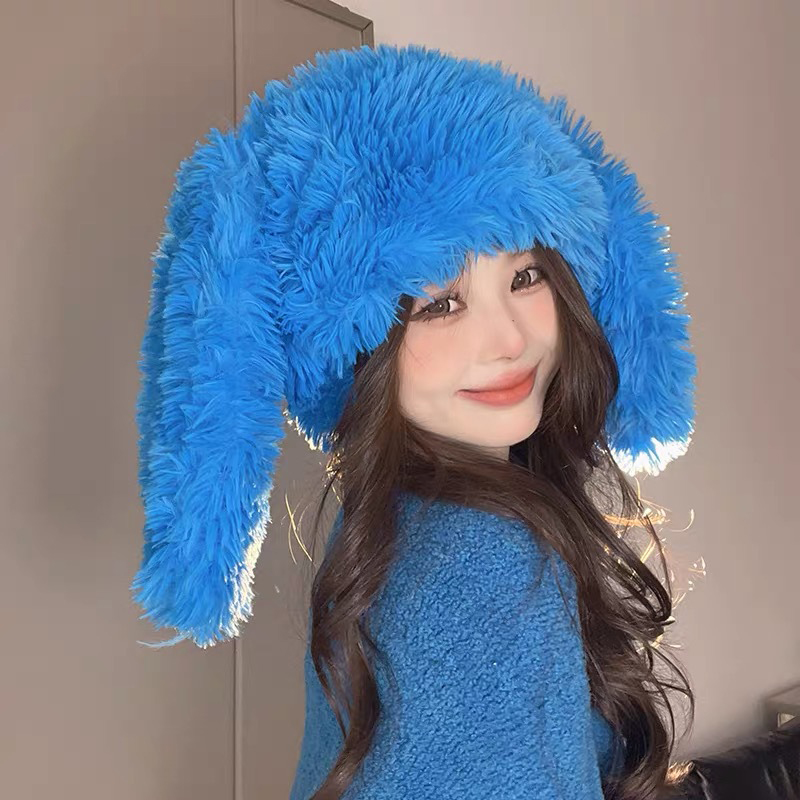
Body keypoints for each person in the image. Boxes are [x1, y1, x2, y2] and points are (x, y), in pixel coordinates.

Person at [130, 43, 698, 799]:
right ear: (358, 347)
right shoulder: (484, 559)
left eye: (525, 276)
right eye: (441, 303)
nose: (508, 340)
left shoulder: (394, 521)